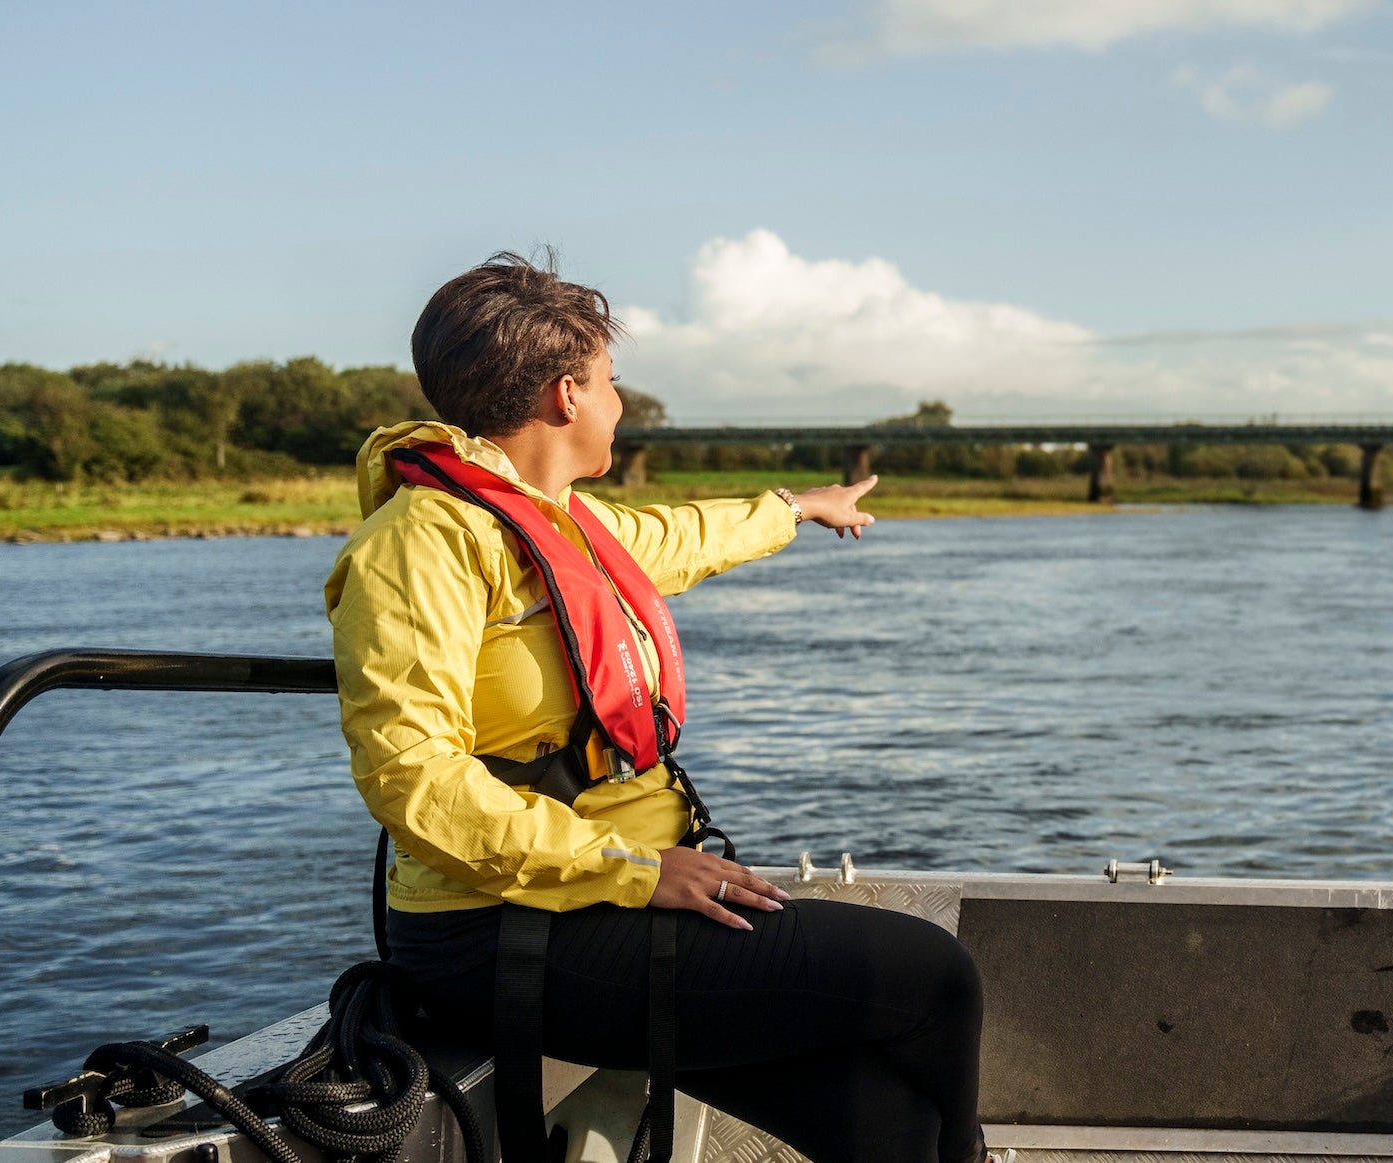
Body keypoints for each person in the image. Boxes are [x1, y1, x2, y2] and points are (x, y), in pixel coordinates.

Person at [325, 252, 984, 1163]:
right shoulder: (420, 545)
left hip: (612, 890)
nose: (620, 404)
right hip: (505, 921)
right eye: (610, 381)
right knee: (935, 976)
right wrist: (635, 866)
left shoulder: (560, 520)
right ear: (566, 393)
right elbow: (414, 777)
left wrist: (798, 506)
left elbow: (680, 535)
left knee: (886, 1122)